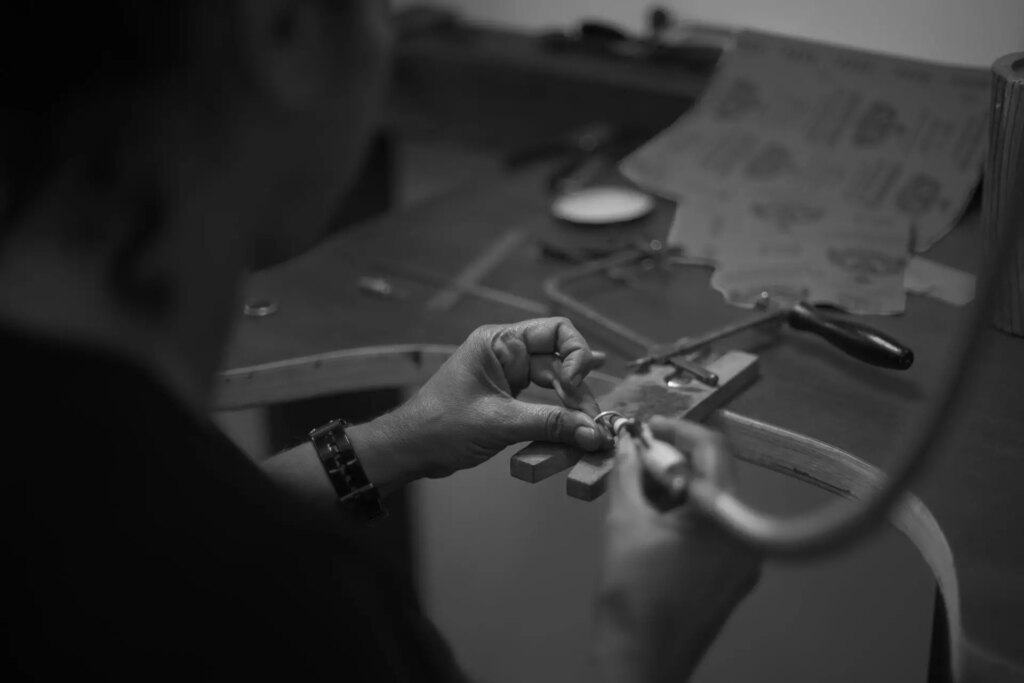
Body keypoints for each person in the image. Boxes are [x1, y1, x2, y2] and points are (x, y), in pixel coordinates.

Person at [0, 2, 761, 681]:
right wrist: (641, 642)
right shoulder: (288, 618)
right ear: (284, 29)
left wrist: (399, 439)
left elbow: (143, 553)